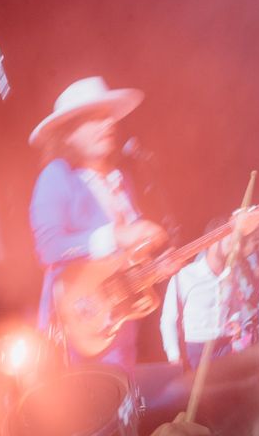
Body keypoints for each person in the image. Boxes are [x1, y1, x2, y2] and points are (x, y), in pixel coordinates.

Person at [28, 76, 168, 370]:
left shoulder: (121, 181)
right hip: (75, 337)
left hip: (117, 334)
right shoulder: (56, 176)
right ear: (67, 134)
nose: (107, 125)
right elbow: (49, 248)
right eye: (94, 119)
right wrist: (117, 236)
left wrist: (148, 278)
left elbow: (126, 262)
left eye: (107, 118)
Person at [160, 217, 259, 369]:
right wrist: (174, 358)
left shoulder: (231, 274)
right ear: (214, 240)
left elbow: (234, 306)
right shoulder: (185, 275)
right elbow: (168, 320)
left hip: (224, 345)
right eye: (231, 241)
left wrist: (236, 322)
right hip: (196, 349)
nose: (236, 246)